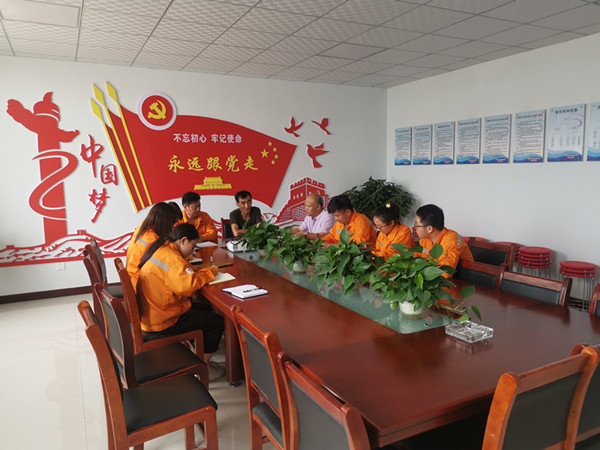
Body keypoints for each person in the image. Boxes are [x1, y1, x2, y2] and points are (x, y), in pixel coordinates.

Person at [136, 223, 224, 374]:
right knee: (216, 322)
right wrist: (211, 272)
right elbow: (188, 286)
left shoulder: (164, 249)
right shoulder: (171, 256)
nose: (193, 250)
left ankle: (197, 353)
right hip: (163, 321)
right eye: (193, 246)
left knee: (205, 308)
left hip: (155, 313)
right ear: (183, 240)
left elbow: (182, 273)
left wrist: (199, 271)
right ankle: (201, 367)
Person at [126, 202, 180, 292]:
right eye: (172, 223)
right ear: (165, 222)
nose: (172, 227)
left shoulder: (145, 229)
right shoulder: (153, 240)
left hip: (133, 279)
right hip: (139, 286)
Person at [413, 204, 473, 276]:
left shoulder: (451, 239)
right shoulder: (425, 239)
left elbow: (445, 272)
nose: (415, 228)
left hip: (463, 278)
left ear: (429, 229)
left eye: (417, 225)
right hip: (432, 277)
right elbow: (417, 257)